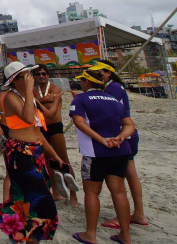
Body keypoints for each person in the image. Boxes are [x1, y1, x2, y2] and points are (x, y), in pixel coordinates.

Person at [0, 62, 64, 243]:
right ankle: (8, 218)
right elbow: (26, 118)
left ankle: (24, 235)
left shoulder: (27, 98)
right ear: (15, 80)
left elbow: (38, 131)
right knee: (38, 199)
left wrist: (54, 155)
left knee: (30, 199)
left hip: (35, 150)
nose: (32, 78)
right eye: (27, 75)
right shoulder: (10, 97)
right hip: (21, 150)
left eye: (31, 75)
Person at [69, 69, 135, 244]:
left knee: (91, 192)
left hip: (95, 152)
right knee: (119, 192)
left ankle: (90, 234)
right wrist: (121, 137)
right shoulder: (114, 100)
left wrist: (101, 140)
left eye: (82, 81)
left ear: (87, 83)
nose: (81, 83)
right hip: (120, 150)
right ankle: (125, 235)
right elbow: (129, 124)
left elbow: (79, 123)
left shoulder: (81, 99)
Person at [89, 59, 148, 228]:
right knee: (130, 174)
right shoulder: (113, 87)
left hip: (121, 135)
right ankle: (138, 213)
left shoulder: (113, 87)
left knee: (118, 180)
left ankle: (124, 217)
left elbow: (107, 109)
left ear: (108, 73)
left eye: (100, 72)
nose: (97, 75)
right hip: (125, 134)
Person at [34, 64, 80, 207]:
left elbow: (50, 107)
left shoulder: (55, 89)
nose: (41, 76)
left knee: (63, 159)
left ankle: (73, 195)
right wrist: (43, 100)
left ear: (48, 75)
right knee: (48, 161)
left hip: (54, 126)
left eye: (44, 74)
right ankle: (56, 192)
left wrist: (42, 102)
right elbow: (33, 103)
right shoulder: (34, 90)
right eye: (39, 74)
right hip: (41, 127)